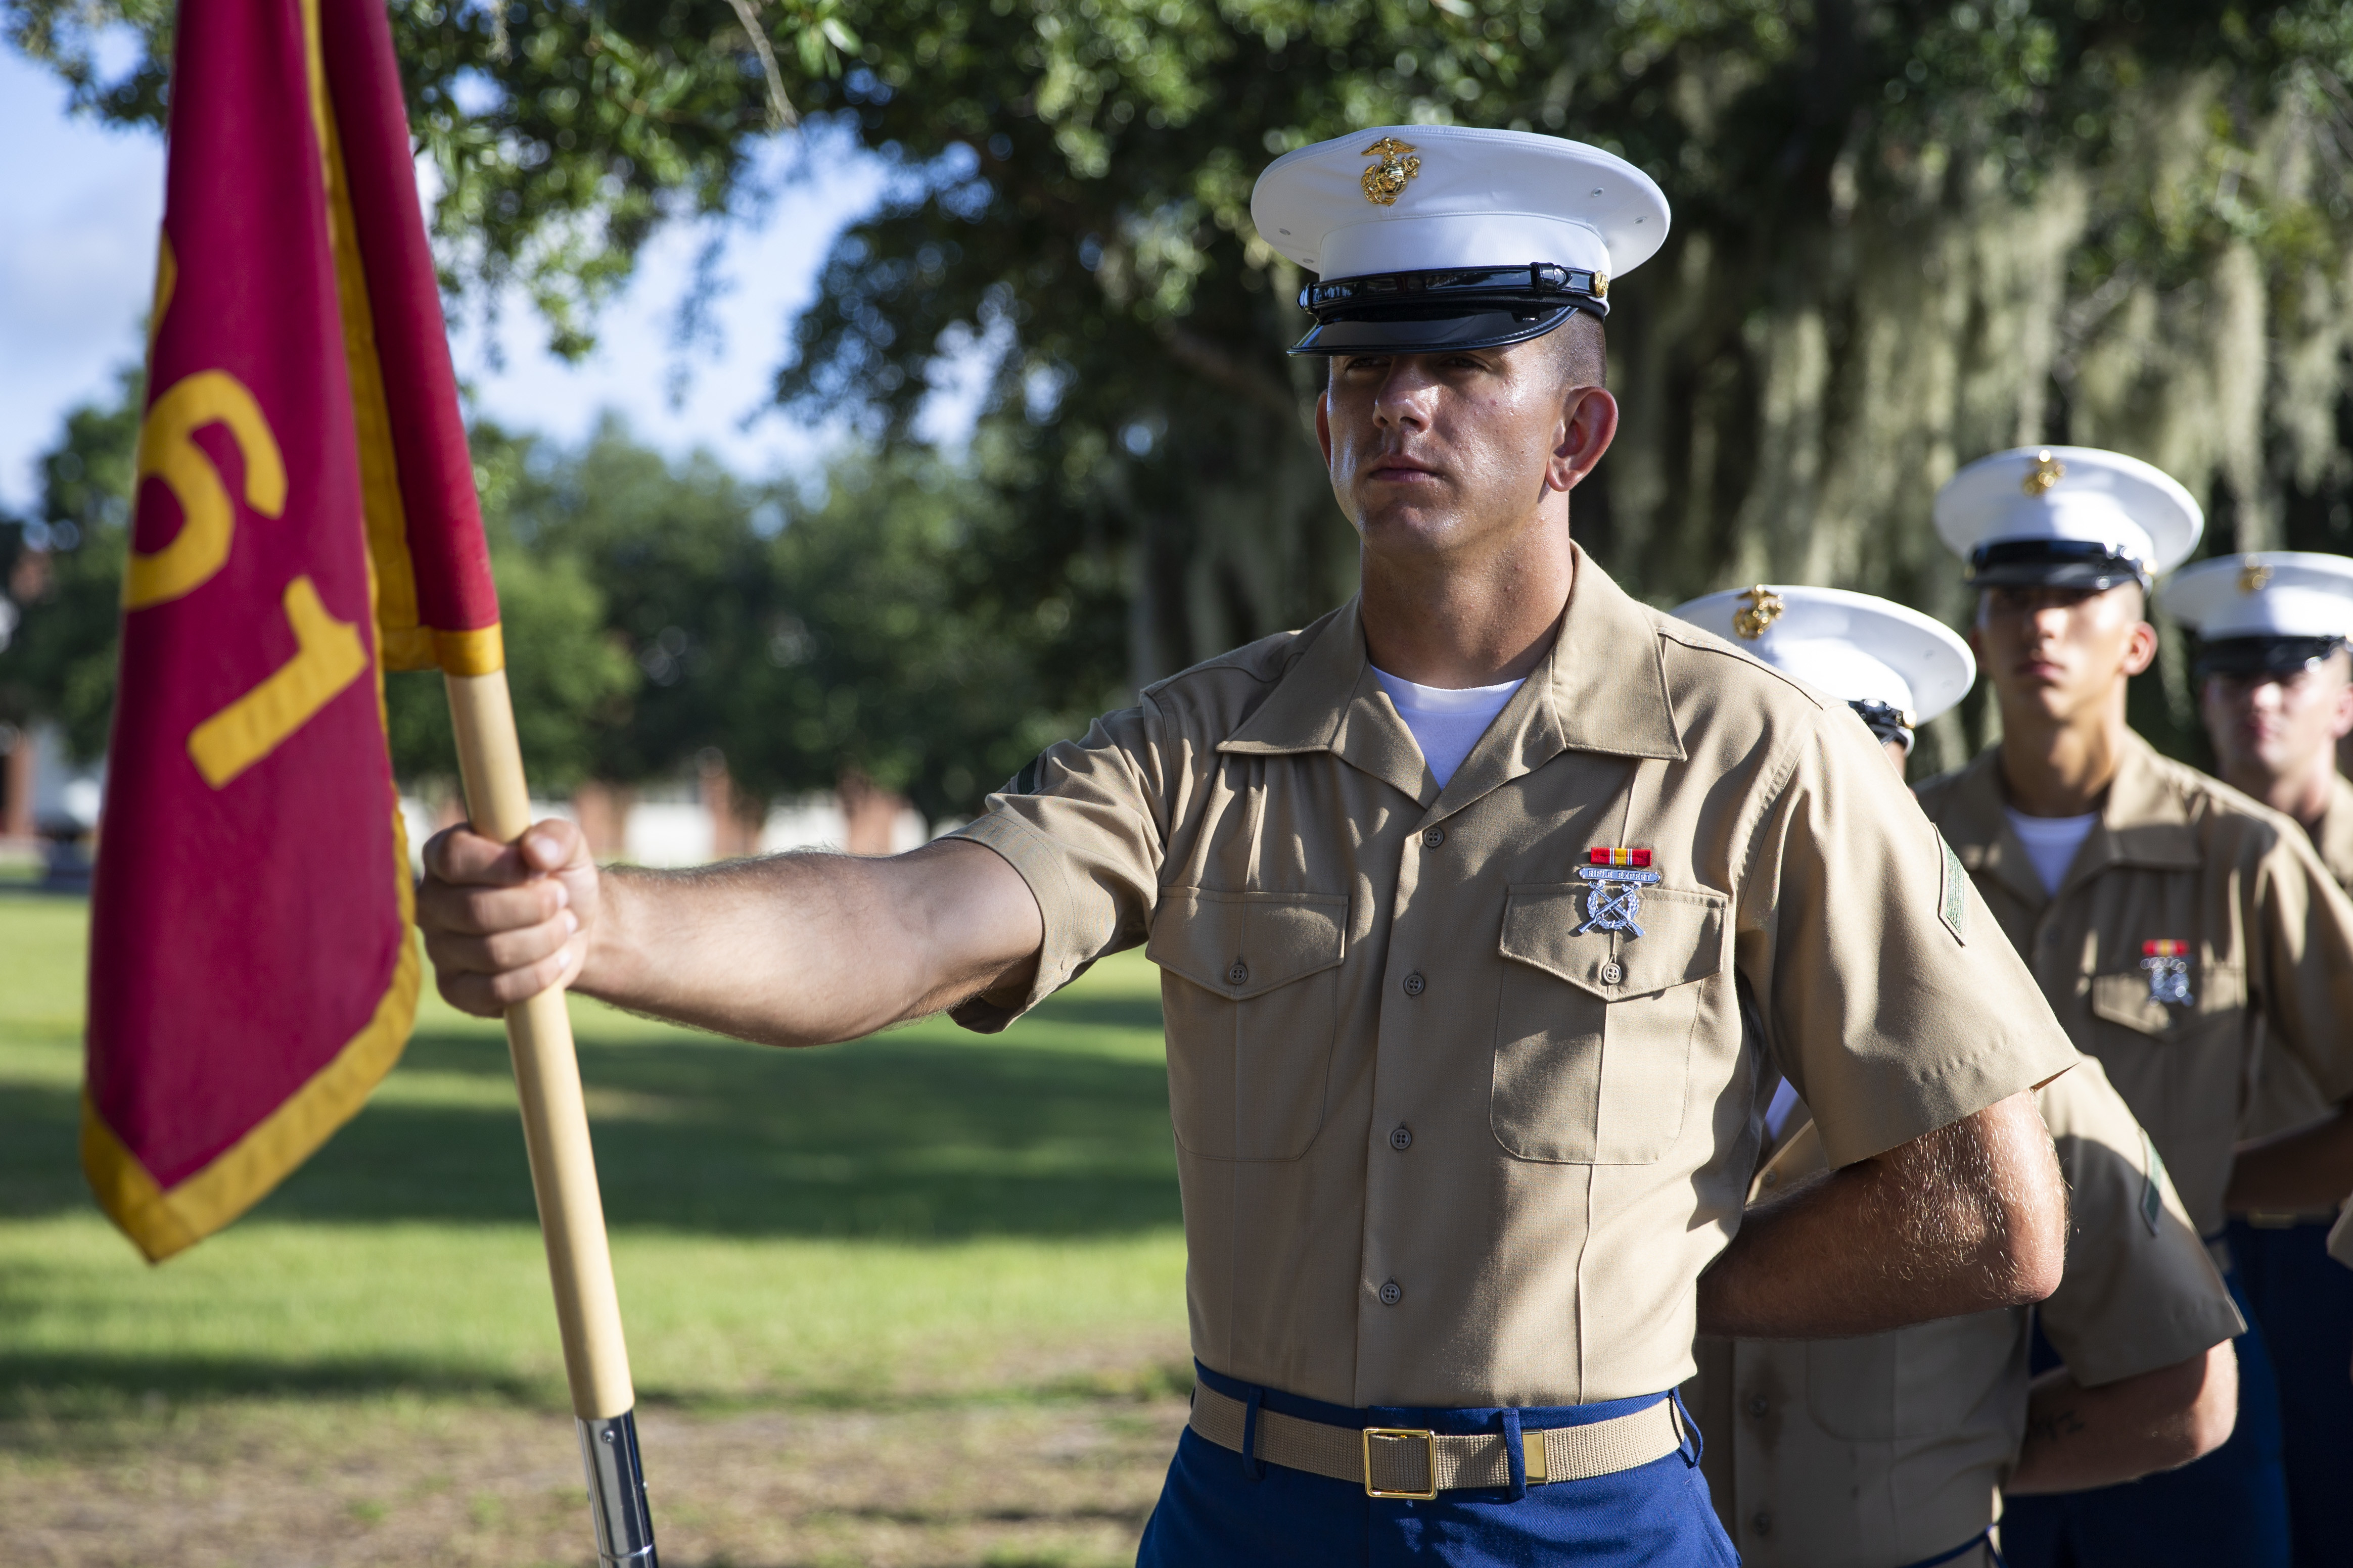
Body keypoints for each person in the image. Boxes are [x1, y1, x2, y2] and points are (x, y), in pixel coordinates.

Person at [415, 127, 2081, 1566]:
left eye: (1460, 364)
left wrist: (1669, 1286)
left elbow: (1987, 1204)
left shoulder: (1755, 751)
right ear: (1320, 425)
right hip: (1246, 1504)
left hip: (1580, 1516)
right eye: (1359, 368)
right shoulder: (1194, 743)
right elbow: (916, 918)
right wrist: (603, 921)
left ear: (1574, 436)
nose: (1397, 406)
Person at [1671, 585, 2243, 1568]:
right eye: (1741, 772)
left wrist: (1965, 1465)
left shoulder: (2027, 1081)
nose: (1789, 821)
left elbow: (2183, 1390)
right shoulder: (1607, 1061)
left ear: (1905, 797)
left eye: (1829, 780)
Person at [1914, 447, 2353, 1568]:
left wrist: (2200, 1179)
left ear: (2141, 642)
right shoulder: (1904, 846)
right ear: (1978, 633)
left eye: (2074, 597)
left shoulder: (2238, 851)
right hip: (1952, 1338)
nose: (2039, 626)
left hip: (2184, 1334)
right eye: (2012, 598)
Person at [2163, 551, 2353, 1568]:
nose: (2260, 699)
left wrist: (2210, 1177)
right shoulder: (2154, 862)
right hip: (2195, 1268)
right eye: (2235, 676)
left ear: (2346, 696)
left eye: (2290, 671)